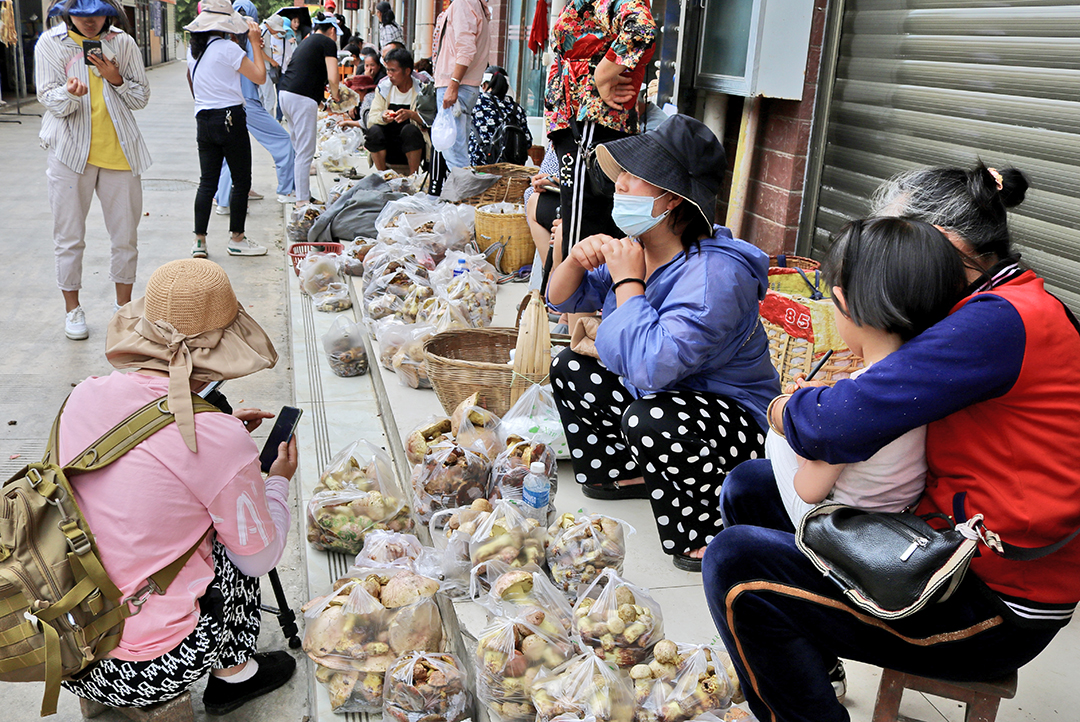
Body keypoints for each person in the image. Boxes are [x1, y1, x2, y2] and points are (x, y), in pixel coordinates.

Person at [703, 164, 1080, 722]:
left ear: (943, 245)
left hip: (992, 602)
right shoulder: (991, 304)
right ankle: (809, 663)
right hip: (948, 547)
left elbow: (833, 427)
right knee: (751, 488)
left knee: (736, 567)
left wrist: (784, 407)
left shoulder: (997, 322)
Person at [58, 258, 298, 715]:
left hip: (69, 637)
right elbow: (260, 559)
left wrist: (217, 432)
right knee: (235, 542)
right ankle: (235, 675)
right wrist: (275, 482)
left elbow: (143, 469)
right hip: (149, 665)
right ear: (226, 348)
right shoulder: (217, 441)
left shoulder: (84, 393)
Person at [546, 115, 780, 571]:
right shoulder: (640, 246)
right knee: (570, 367)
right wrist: (575, 259)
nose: (621, 184)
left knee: (650, 416)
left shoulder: (716, 275)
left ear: (671, 199)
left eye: (635, 177)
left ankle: (707, 530)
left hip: (732, 427)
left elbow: (655, 367)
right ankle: (625, 473)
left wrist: (628, 283)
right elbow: (559, 298)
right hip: (665, 399)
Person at [766, 217, 968, 528]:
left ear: (843, 303)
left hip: (843, 531)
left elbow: (809, 490)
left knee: (776, 437)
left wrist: (807, 421)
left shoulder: (859, 399)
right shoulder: (933, 376)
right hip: (900, 520)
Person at [35, 0, 150, 341]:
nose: (89, 21)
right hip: (70, 154)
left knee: (125, 237)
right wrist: (69, 94)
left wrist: (116, 78)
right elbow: (46, 96)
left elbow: (140, 97)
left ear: (108, 13)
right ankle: (73, 309)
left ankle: (123, 309)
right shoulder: (51, 43)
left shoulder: (123, 43)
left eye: (96, 13)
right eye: (81, 13)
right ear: (67, 12)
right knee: (69, 237)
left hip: (120, 152)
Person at [546, 0, 656, 254]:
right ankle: (577, 291)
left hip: (591, 120)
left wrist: (602, 74)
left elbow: (640, 27)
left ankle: (580, 292)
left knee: (584, 232)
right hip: (582, 121)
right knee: (583, 225)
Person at [186, 0, 268, 259]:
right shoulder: (228, 49)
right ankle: (237, 239)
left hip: (204, 120)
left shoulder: (194, 51)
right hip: (230, 119)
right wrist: (255, 42)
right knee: (241, 180)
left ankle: (199, 242)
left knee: (207, 183)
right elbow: (260, 77)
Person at [213, 1, 295, 213]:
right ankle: (286, 190)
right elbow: (258, 77)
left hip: (225, 102)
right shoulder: (249, 39)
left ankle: (222, 200)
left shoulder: (221, 40)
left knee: (229, 152)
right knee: (282, 140)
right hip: (247, 102)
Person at [278, 12, 341, 206]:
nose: (336, 37)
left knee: (299, 149)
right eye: (336, 33)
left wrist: (322, 102)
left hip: (286, 94)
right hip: (300, 99)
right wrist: (337, 96)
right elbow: (333, 76)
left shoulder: (307, 41)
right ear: (331, 30)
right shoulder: (327, 42)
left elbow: (307, 73)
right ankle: (302, 201)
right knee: (305, 151)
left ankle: (301, 193)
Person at [431, 0, 490, 171]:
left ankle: (462, 196)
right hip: (461, 85)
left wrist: (453, 84)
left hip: (457, 84)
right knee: (456, 150)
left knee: (454, 153)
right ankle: (460, 194)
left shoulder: (463, 3)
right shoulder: (474, 4)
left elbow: (466, 49)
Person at [365, 47, 433, 175]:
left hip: (413, 145)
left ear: (407, 71)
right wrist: (383, 116)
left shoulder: (422, 90)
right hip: (388, 145)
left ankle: (413, 176)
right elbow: (372, 116)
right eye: (388, 70)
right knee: (373, 132)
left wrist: (411, 115)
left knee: (410, 130)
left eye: (393, 71)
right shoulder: (384, 89)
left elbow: (429, 119)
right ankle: (383, 175)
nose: (389, 75)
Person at [468, 65, 531, 165]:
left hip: (480, 165)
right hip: (510, 167)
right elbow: (527, 140)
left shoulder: (475, 102)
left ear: (484, 85)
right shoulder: (517, 108)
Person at [260, 13, 292, 118]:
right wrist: (271, 60)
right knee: (269, 99)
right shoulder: (263, 31)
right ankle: (269, 124)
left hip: (263, 68)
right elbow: (257, 49)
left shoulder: (264, 31)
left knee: (263, 98)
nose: (277, 32)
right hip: (263, 68)